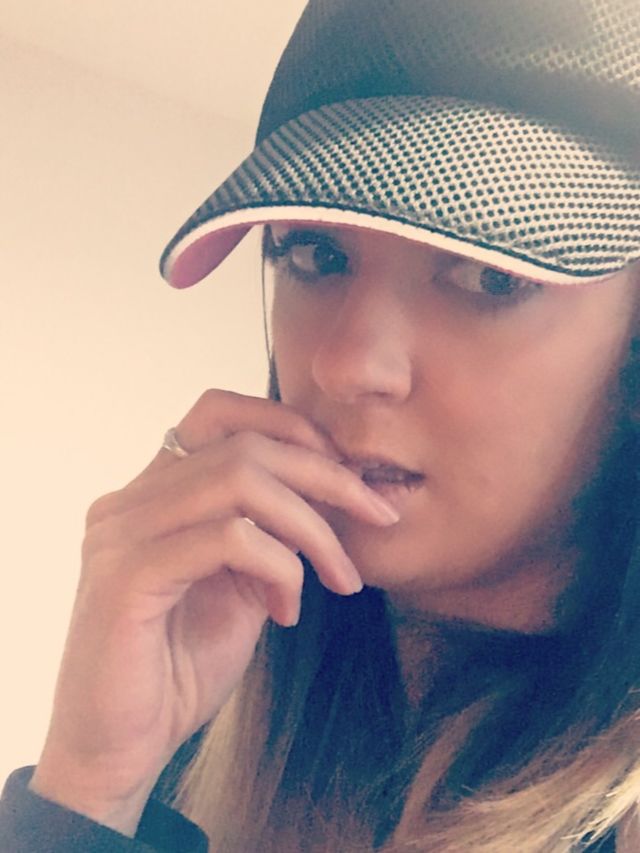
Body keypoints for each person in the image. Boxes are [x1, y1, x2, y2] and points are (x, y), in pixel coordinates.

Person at [2, 0, 640, 850]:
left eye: (488, 276)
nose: (346, 364)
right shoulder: (200, 729)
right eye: (313, 254)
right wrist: (91, 788)